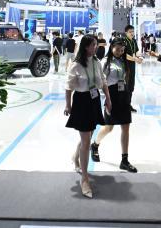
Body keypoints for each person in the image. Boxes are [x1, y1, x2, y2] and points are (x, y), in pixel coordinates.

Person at [64, 35, 110, 198]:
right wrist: (68, 105)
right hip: (82, 102)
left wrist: (108, 100)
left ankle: (75, 157)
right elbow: (68, 87)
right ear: (85, 47)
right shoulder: (76, 65)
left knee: (88, 136)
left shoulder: (96, 62)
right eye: (93, 45)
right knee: (86, 141)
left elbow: (103, 81)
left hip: (94, 100)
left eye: (96, 44)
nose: (96, 47)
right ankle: (84, 179)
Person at [89, 38, 137, 172]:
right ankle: (95, 145)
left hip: (123, 96)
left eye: (122, 50)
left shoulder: (122, 60)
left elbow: (124, 78)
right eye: (117, 49)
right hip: (111, 96)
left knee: (126, 127)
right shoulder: (105, 62)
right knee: (108, 128)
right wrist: (106, 99)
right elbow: (100, 82)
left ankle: (124, 160)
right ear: (111, 47)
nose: (120, 52)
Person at [122, 24, 143, 112]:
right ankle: (123, 105)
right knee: (125, 86)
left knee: (131, 86)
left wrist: (140, 57)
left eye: (133, 31)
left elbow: (136, 51)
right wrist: (135, 59)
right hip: (125, 66)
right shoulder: (123, 41)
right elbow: (124, 55)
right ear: (126, 33)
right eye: (130, 32)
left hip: (132, 66)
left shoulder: (133, 41)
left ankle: (128, 105)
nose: (132, 33)